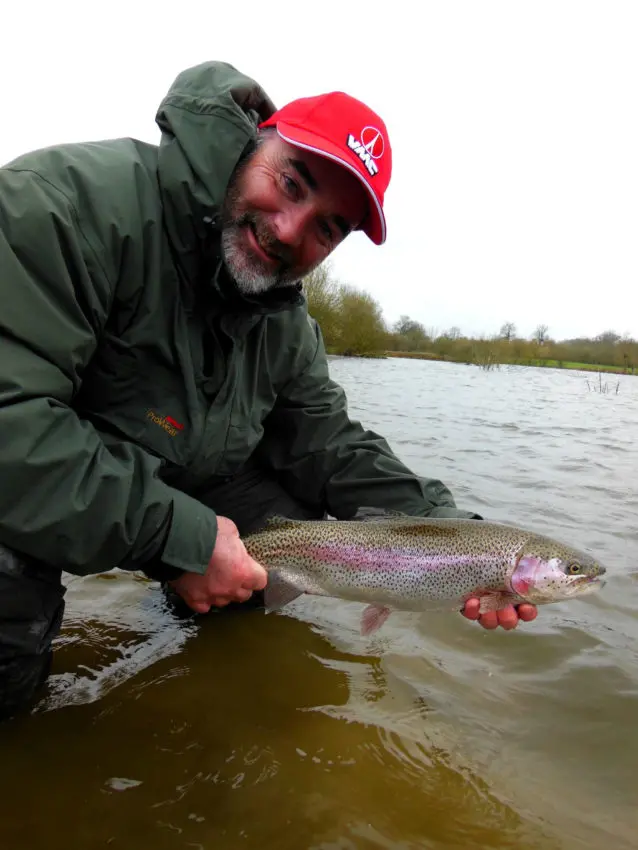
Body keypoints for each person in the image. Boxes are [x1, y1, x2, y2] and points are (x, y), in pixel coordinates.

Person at [0, 60, 537, 720]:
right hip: (37, 463)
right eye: (290, 183)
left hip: (175, 474)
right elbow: (10, 421)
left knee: (287, 549)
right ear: (252, 143)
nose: (289, 230)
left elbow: (331, 446)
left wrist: (462, 541)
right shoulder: (63, 206)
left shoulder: (284, 319)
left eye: (327, 228)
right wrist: (183, 539)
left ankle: (192, 670)